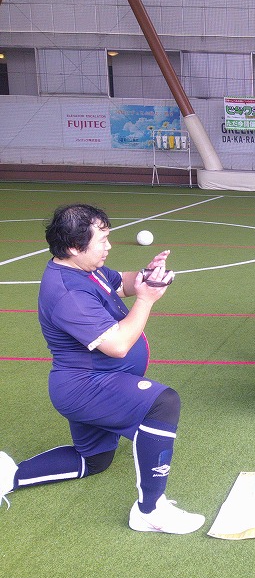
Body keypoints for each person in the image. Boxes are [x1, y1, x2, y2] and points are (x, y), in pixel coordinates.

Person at [0, 204, 204, 533]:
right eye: (102, 240)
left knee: (95, 460)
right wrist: (147, 299)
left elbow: (121, 284)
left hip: (94, 381)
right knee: (163, 403)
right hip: (87, 387)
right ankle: (150, 510)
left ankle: (10, 476)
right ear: (73, 247)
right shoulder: (67, 292)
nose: (109, 246)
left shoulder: (83, 269)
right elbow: (118, 345)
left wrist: (146, 278)